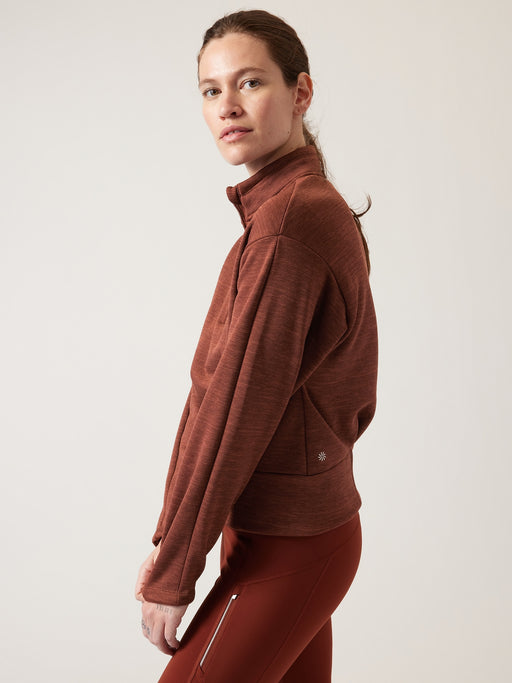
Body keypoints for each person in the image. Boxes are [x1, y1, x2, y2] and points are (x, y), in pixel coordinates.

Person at [135, 9, 378, 682]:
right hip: (286, 533)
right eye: (211, 90)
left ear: (301, 92)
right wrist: (175, 541)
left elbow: (232, 411)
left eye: (250, 82)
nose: (227, 106)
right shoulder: (291, 210)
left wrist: (173, 569)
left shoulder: (288, 229)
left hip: (289, 544)